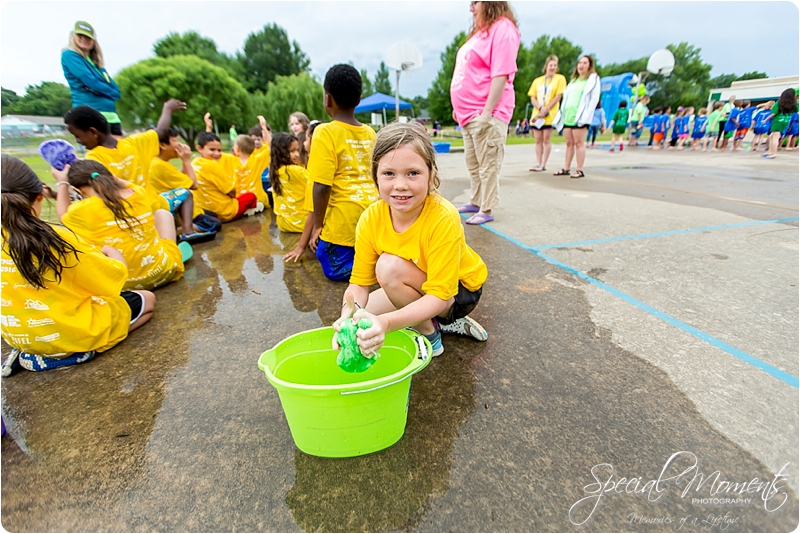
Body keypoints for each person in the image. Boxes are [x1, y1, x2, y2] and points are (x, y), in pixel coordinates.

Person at [332, 122, 488, 359]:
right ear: (376, 177)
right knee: (359, 318)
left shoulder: (443, 216)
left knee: (388, 268)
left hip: (458, 292)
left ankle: (431, 335)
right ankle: (429, 319)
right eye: (389, 173)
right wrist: (346, 317)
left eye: (413, 173)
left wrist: (386, 323)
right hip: (417, 280)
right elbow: (359, 285)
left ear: (431, 175)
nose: (400, 185)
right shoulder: (370, 218)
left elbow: (439, 296)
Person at [1, 155, 154, 375]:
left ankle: (30, 351)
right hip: (70, 331)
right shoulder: (56, 238)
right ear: (39, 197)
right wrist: (113, 254)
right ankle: (81, 350)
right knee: (147, 299)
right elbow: (111, 283)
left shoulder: (69, 219)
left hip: (18, 335)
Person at [55, 159, 185, 291]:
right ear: (111, 177)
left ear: (80, 191)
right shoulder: (138, 192)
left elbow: (62, 216)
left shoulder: (80, 210)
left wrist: (62, 183)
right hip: (164, 272)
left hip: (124, 285)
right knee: (162, 214)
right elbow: (127, 185)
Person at [450, 1, 520, 225]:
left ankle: (487, 207)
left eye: (475, 3)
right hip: (468, 113)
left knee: (488, 163)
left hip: (486, 112)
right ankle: (476, 200)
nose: (471, 8)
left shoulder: (503, 28)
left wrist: (487, 112)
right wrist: (458, 106)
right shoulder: (481, 33)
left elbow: (501, 73)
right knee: (474, 162)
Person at [308, 64, 379, 281]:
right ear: (359, 100)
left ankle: (371, 272)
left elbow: (321, 186)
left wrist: (318, 226)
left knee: (328, 262)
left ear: (327, 99)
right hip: (374, 214)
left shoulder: (325, 131)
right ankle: (374, 259)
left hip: (344, 220)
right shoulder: (370, 132)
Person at [64, 99, 186, 194]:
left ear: (93, 132)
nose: (78, 141)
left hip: (126, 213)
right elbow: (161, 131)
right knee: (185, 194)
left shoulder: (94, 157)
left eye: (77, 136)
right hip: (150, 206)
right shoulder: (135, 142)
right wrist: (167, 109)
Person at [61, 21, 122, 136]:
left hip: (111, 116)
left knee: (119, 152)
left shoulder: (95, 63)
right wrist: (105, 90)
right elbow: (91, 82)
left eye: (88, 37)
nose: (84, 39)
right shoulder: (69, 55)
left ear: (93, 40)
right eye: (80, 36)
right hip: (91, 115)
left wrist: (103, 90)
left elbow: (116, 91)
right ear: (73, 36)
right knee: (100, 153)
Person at [148, 128, 208, 240]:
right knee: (212, 223)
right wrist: (186, 160)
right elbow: (193, 185)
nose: (179, 144)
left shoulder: (154, 162)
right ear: (163, 145)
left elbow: (181, 180)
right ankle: (184, 231)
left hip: (160, 209)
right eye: (175, 140)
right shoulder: (161, 165)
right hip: (164, 209)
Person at [552, 55, 600, 179]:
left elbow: (593, 100)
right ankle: (566, 167)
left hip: (580, 117)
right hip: (568, 115)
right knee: (569, 143)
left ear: (589, 65)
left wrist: (587, 115)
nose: (581, 65)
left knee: (579, 143)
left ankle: (579, 169)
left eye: (584, 63)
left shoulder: (592, 80)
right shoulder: (573, 81)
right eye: (579, 63)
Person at [192, 131, 258, 221]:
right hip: (224, 212)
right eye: (212, 150)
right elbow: (231, 191)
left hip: (205, 209)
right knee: (251, 196)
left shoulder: (194, 163)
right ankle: (248, 210)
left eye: (219, 150)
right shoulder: (213, 166)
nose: (217, 153)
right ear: (200, 148)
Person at [284, 120, 323, 263]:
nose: (304, 144)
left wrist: (300, 247)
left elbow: (313, 213)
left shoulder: (314, 174)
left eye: (306, 139)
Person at [527, 55, 567, 171]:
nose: (553, 67)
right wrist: (540, 108)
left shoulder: (560, 79)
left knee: (546, 139)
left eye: (555, 65)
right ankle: (538, 162)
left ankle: (544, 163)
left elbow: (558, 96)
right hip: (538, 114)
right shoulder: (537, 81)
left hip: (549, 114)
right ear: (546, 66)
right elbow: (533, 97)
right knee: (538, 139)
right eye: (551, 65)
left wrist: (547, 108)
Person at [269, 132, 309, 233]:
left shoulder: (274, 170)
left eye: (297, 150)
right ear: (281, 152)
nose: (297, 154)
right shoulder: (295, 171)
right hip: (301, 224)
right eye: (292, 151)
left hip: (283, 224)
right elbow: (318, 184)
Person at [764, 89, 798, 159]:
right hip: (785, 121)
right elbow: (797, 111)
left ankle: (773, 153)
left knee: (775, 138)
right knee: (771, 136)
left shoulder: (779, 103)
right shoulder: (794, 104)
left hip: (777, 122)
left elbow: (773, 113)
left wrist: (766, 119)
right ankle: (770, 151)